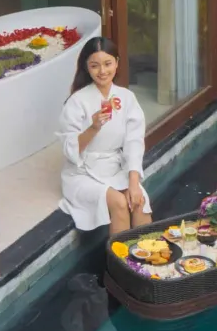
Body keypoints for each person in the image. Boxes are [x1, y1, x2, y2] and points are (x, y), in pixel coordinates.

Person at [57, 37, 152, 235]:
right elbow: (70, 150)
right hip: (82, 173)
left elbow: (134, 142)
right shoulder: (76, 102)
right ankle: (119, 255)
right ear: (86, 67)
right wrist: (93, 127)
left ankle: (149, 252)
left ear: (117, 62)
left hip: (114, 167)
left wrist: (134, 183)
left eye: (108, 64)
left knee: (139, 201)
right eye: (95, 66)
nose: (102, 71)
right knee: (119, 202)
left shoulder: (126, 98)